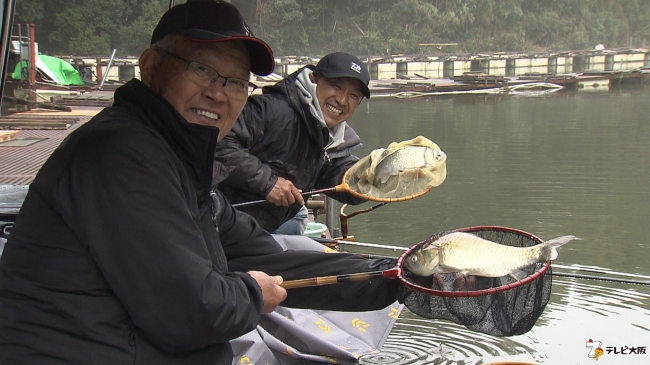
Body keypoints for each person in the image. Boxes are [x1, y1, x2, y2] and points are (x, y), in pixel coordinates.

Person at [0, 1, 398, 364]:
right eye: (203, 70)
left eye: (237, 82)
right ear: (151, 66)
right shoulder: (121, 152)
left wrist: (400, 275)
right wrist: (253, 293)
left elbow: (272, 259)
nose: (217, 93)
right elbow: (188, 312)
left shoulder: (181, 165)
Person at [214, 51, 372, 235]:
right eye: (336, 86)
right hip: (216, 223)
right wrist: (268, 182)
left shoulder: (328, 139)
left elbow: (342, 181)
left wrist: (374, 179)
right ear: (313, 79)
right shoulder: (272, 109)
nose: (342, 100)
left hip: (256, 231)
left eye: (354, 96)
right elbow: (217, 141)